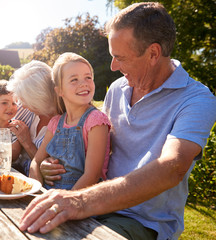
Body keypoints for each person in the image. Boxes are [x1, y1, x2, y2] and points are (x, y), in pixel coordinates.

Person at [19, 2, 216, 240]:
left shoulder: (196, 99)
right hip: (94, 205)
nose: (113, 67)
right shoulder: (117, 89)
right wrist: (49, 163)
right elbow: (84, 134)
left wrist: (79, 200)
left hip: (140, 222)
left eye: (119, 57)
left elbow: (172, 167)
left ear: (153, 53)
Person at [28, 52, 110, 190]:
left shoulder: (95, 121)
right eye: (74, 80)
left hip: (80, 201)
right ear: (60, 91)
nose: (84, 84)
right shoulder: (55, 123)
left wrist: (63, 202)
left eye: (88, 77)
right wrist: (37, 191)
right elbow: (35, 162)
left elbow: (92, 175)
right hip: (49, 194)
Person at [7, 60, 59, 176]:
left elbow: (49, 171)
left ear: (41, 98)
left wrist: (27, 143)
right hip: (15, 172)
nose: (22, 104)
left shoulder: (62, 122)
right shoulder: (24, 110)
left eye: (26, 100)